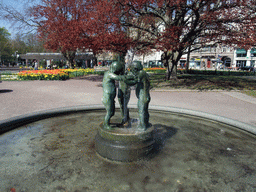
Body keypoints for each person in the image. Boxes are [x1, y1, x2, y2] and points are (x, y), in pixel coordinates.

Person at [102, 61, 126, 129]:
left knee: (112, 112)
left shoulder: (108, 73)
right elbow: (118, 78)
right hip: (108, 97)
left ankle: (106, 122)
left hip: (111, 97)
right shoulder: (109, 74)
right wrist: (126, 76)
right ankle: (106, 124)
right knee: (109, 112)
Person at [130, 61, 151, 130]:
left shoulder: (141, 73)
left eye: (132, 68)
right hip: (146, 95)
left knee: (141, 111)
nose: (132, 70)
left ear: (135, 68)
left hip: (143, 96)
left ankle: (142, 126)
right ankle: (146, 122)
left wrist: (125, 80)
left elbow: (135, 81)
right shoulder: (144, 73)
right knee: (145, 110)